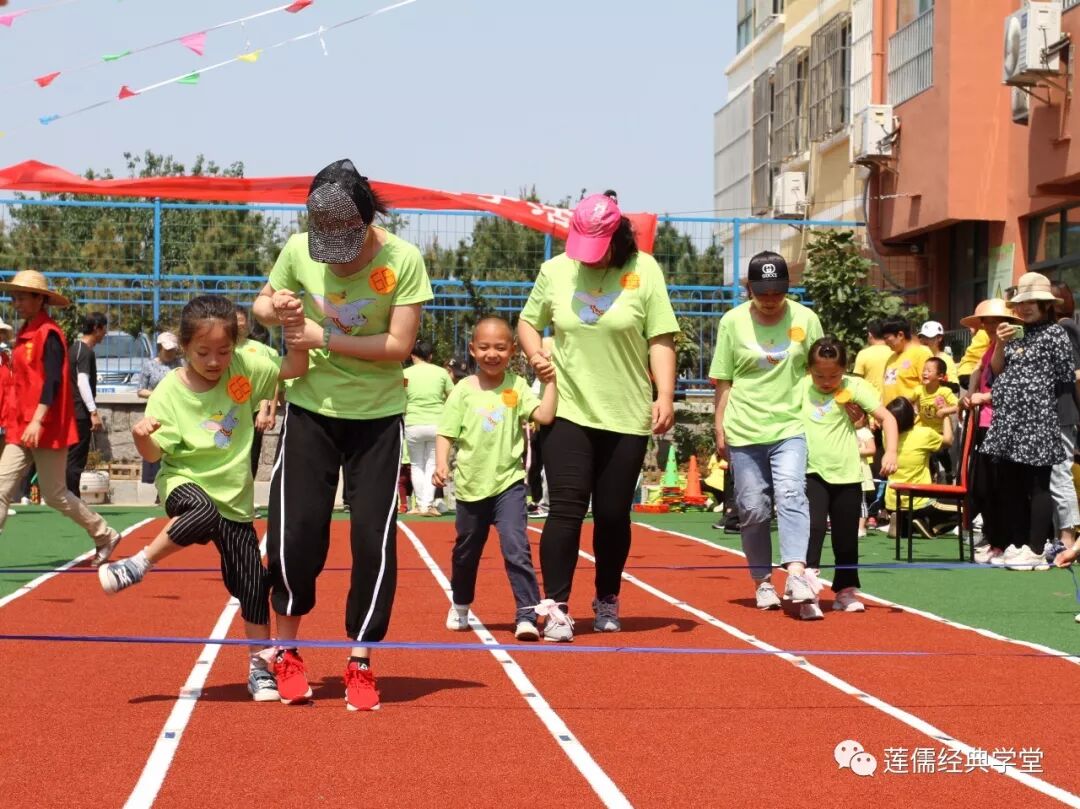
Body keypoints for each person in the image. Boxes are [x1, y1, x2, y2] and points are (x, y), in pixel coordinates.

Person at [252, 158, 432, 711]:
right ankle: (286, 650)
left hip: (377, 418)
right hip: (311, 410)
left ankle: (360, 659)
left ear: (366, 221)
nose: (337, 257)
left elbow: (399, 346)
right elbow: (261, 305)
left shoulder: (403, 260)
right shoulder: (297, 249)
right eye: (326, 244)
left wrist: (323, 337)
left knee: (372, 540)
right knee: (295, 534)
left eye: (346, 244)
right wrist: (277, 307)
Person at [98, 295, 312, 701]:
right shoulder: (169, 392)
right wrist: (141, 437)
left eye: (223, 351)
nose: (214, 361)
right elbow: (154, 455)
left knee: (253, 584)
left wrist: (293, 325)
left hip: (234, 498)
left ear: (236, 345)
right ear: (183, 346)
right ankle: (138, 564)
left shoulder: (246, 366)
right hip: (184, 481)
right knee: (202, 510)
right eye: (202, 352)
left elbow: (296, 368)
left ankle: (259, 669)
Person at [519, 192, 679, 641]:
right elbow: (528, 322)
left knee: (611, 514)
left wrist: (665, 394)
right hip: (567, 408)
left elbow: (661, 337)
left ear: (617, 238)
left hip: (626, 413)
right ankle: (556, 607)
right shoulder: (556, 270)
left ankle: (607, 596)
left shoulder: (645, 270)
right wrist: (535, 355)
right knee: (566, 508)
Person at [710, 251, 823, 611]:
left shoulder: (806, 319)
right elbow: (723, 379)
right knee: (753, 508)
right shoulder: (732, 322)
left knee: (791, 493)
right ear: (750, 289)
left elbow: (821, 371)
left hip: (791, 424)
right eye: (763, 293)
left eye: (778, 292)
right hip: (744, 429)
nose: (771, 300)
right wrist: (719, 427)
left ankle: (796, 572)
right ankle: (762, 580)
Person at [434, 317, 557, 641]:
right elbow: (446, 432)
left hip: (509, 484)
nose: (492, 354)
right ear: (473, 350)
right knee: (466, 552)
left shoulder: (517, 386)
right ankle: (461, 604)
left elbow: (544, 416)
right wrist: (441, 463)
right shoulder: (463, 390)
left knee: (516, 547)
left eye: (500, 348)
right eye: (485, 347)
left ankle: (527, 615)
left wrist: (551, 382)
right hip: (471, 487)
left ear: (512, 350)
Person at [0, 271, 120, 562]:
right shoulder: (24, 334)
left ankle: (104, 533)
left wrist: (38, 420)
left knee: (54, 494)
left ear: (40, 299)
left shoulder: (50, 334)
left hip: (46, 426)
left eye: (22, 297)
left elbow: (53, 381)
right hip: (21, 426)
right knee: (1, 487)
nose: (16, 303)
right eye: (14, 297)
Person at [982, 273, 1075, 571]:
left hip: (1038, 418)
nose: (1025, 307)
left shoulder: (1056, 333)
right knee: (1011, 484)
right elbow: (997, 370)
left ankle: (1036, 548)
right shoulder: (1015, 333)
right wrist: (1000, 343)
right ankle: (1019, 543)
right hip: (1008, 419)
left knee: (1038, 485)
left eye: (1032, 302)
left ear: (1046, 304)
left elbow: (1065, 375)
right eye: (1022, 302)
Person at [801, 337, 898, 618]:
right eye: (819, 375)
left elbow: (888, 419)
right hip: (811, 471)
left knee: (846, 536)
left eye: (833, 375)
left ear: (844, 369)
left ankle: (845, 591)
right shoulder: (799, 388)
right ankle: (807, 591)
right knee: (813, 529)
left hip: (847, 473)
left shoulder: (855, 388)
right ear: (809, 370)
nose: (826, 381)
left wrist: (891, 452)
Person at [957, 299, 1020, 564]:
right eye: (987, 322)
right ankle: (994, 539)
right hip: (983, 423)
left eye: (997, 321)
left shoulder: (1015, 346)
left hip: (1002, 424)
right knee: (982, 486)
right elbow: (979, 372)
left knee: (999, 485)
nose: (992, 326)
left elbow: (1015, 387)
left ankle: (1004, 542)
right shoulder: (990, 348)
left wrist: (982, 397)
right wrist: (970, 394)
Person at [885, 397, 957, 539]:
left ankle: (904, 525)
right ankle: (931, 527)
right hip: (919, 502)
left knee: (907, 517)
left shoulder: (886, 436)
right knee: (964, 508)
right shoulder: (924, 434)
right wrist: (945, 414)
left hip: (892, 502)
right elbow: (949, 440)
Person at [1048, 281, 1080, 559]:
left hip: (1064, 410)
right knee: (1056, 474)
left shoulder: (1065, 328)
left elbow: (1076, 374)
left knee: (1060, 473)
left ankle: (1067, 537)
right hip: (1059, 411)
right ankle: (1062, 535)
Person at [403, 338, 453, 516]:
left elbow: (400, 396)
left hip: (413, 422)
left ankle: (420, 505)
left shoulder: (405, 374)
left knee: (416, 464)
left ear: (412, 355)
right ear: (430, 356)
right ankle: (428, 505)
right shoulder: (441, 373)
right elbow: (453, 396)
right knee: (432, 464)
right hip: (437, 423)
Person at [234, 305, 280, 478]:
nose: (239, 325)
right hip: (227, 409)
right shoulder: (221, 346)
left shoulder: (258, 348)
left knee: (251, 454)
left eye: (242, 321)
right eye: (236, 321)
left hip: (252, 410)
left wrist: (264, 411)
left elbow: (267, 381)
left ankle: (247, 489)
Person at [66, 312, 108, 497]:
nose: (105, 333)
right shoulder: (84, 351)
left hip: (72, 411)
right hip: (79, 413)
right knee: (76, 459)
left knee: (71, 457)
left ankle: (69, 497)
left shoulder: (74, 349)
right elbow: (82, 382)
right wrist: (93, 412)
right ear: (96, 328)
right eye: (104, 329)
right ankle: (72, 498)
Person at [137, 332, 184, 488]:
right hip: (157, 413)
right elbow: (140, 390)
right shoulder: (149, 365)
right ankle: (159, 485)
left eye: (173, 350)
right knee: (158, 446)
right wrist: (159, 395)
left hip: (178, 412)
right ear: (159, 348)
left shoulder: (181, 364)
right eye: (167, 350)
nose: (171, 353)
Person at [910, 357, 959, 482]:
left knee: (941, 453)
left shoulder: (944, 391)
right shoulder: (919, 390)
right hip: (924, 429)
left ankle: (949, 471)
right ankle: (931, 476)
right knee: (928, 454)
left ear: (940, 376)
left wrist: (944, 411)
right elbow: (908, 400)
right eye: (924, 370)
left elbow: (957, 406)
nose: (924, 373)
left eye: (929, 371)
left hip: (940, 430)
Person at [881, 316, 933, 405]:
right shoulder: (891, 358)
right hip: (889, 411)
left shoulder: (921, 354)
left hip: (910, 412)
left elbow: (929, 388)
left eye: (887, 338)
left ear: (900, 335)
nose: (885, 342)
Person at [852, 318, 892, 397]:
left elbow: (857, 382)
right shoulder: (894, 352)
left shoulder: (863, 354)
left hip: (870, 400)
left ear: (870, 335)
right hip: (892, 399)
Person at [917, 320, 959, 392]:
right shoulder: (918, 357)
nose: (925, 340)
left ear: (939, 338)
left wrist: (935, 381)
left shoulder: (946, 359)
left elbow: (955, 387)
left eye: (929, 337)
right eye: (923, 337)